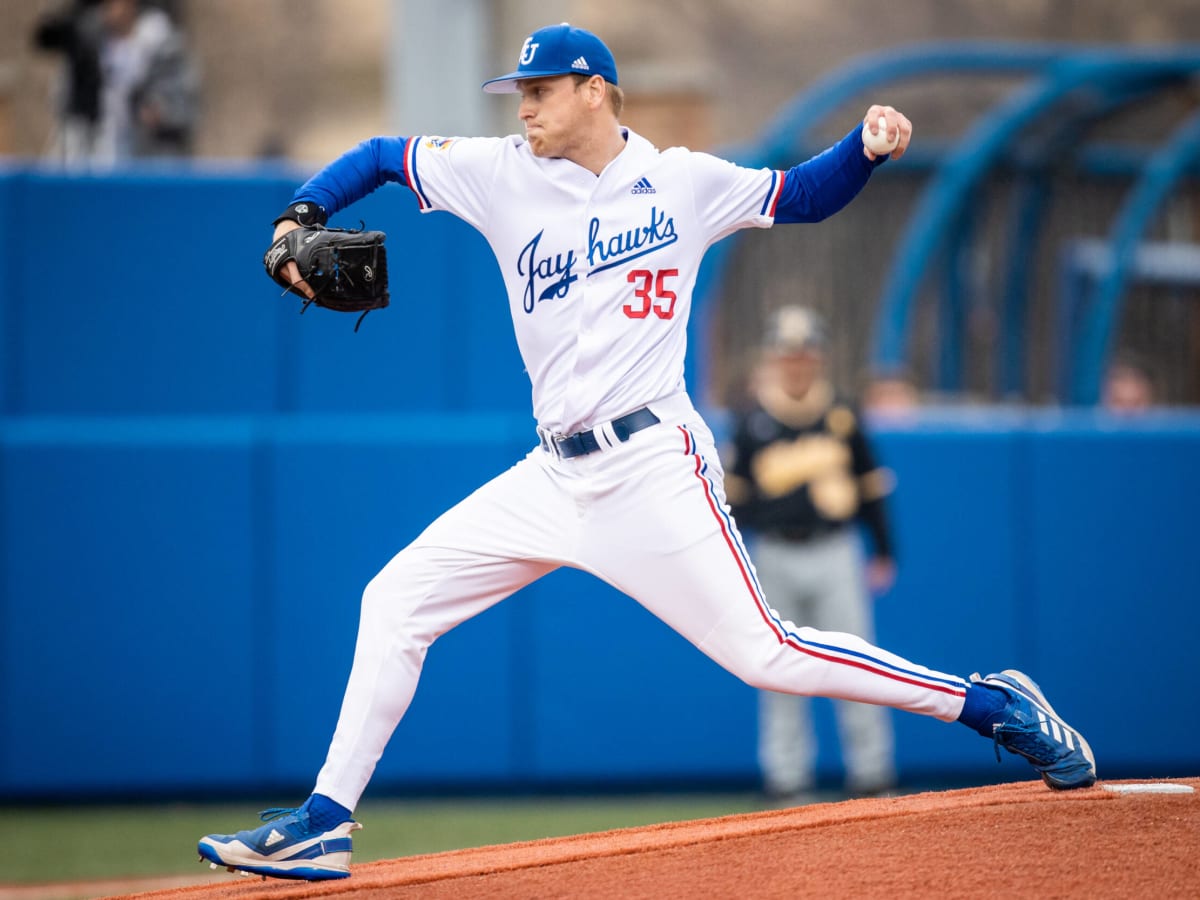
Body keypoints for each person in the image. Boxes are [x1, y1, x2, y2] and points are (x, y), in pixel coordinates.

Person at [197, 23, 1096, 882]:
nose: (524, 108)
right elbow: (385, 155)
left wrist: (862, 147)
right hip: (551, 474)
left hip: (652, 464)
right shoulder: (499, 173)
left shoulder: (683, 181)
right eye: (518, 93)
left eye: (541, 91)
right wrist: (301, 213)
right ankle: (321, 825)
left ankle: (991, 703)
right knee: (393, 601)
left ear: (596, 91)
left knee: (768, 654)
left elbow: (801, 196)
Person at [726, 306, 897, 801]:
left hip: (835, 551)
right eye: (789, 355)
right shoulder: (753, 417)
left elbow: (871, 485)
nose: (797, 363)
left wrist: (884, 548)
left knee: (860, 663)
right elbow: (733, 499)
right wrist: (779, 509)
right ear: (776, 359)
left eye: (805, 354)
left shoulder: (841, 411)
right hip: (775, 552)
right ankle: (786, 779)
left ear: (817, 358)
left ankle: (873, 774)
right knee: (778, 668)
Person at [31, 0, 199, 167]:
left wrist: (160, 110)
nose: (109, 11)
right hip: (96, 154)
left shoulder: (161, 43)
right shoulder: (90, 41)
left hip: (149, 158)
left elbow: (184, 104)